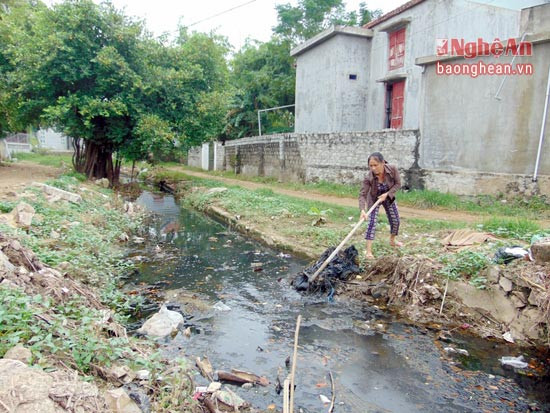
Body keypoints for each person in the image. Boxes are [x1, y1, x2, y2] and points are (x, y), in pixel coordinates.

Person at [358, 152, 402, 259]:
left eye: (375, 165)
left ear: (383, 163)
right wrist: (362, 210)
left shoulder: (392, 169)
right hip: (374, 200)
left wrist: (387, 194)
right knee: (372, 222)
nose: (373, 168)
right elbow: (362, 194)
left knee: (395, 220)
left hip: (388, 196)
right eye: (370, 166)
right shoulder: (368, 177)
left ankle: (392, 240)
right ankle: (368, 251)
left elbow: (398, 184)